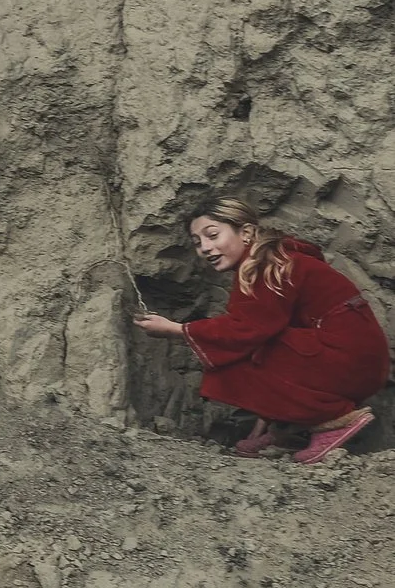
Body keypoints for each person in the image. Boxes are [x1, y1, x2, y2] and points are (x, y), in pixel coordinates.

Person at [133, 198, 386, 462]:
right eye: (197, 242)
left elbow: (247, 329)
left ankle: (335, 419)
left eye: (212, 235)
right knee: (245, 343)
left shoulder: (269, 266)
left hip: (349, 360)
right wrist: (272, 412)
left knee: (236, 354)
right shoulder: (271, 260)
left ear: (246, 233)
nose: (205, 248)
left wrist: (177, 329)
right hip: (356, 360)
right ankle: (289, 429)